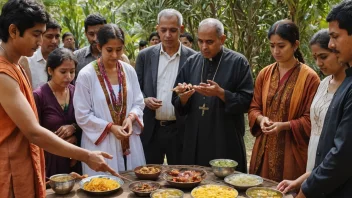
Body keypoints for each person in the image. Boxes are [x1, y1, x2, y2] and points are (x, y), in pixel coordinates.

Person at [0, 1, 117, 197]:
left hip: (26, 164)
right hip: (11, 168)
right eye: (36, 34)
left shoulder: (17, 65)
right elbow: (34, 132)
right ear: (13, 31)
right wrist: (86, 155)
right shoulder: (3, 74)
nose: (40, 42)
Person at [171, 18, 253, 171]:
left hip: (223, 136)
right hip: (195, 136)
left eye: (209, 42)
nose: (203, 47)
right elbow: (177, 99)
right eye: (200, 41)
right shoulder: (191, 62)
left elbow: (247, 101)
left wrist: (221, 93)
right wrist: (183, 97)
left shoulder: (238, 62)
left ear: (222, 39)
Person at [276, 29, 349, 194]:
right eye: (315, 58)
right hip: (315, 155)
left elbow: (341, 152)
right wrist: (303, 179)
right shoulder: (323, 83)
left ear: (338, 51)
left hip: (335, 160)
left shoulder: (347, 91)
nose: (319, 63)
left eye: (323, 57)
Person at [248, 20, 320, 182]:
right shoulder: (264, 74)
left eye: (281, 46)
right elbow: (254, 107)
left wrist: (284, 126)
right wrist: (261, 119)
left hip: (291, 152)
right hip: (263, 149)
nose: (276, 51)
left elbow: (312, 120)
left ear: (295, 45)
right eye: (272, 45)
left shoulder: (309, 78)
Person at [74, 24, 145, 175]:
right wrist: (110, 127)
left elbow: (139, 102)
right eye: (109, 50)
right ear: (99, 47)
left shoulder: (129, 71)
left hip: (129, 140)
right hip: (101, 144)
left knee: (133, 185)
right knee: (103, 186)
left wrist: (131, 118)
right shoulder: (86, 75)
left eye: (119, 50)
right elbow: (82, 114)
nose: (114, 55)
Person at [297, 1, 352, 197]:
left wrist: (307, 189)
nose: (331, 45)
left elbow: (343, 154)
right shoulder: (333, 83)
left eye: (335, 37)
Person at [135, 9, 196, 165]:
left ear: (181, 30)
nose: (168, 35)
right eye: (163, 30)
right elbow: (135, 90)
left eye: (173, 30)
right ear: (157, 29)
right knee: (149, 176)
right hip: (151, 128)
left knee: (181, 177)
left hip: (180, 129)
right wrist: (145, 100)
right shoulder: (145, 56)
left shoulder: (193, 58)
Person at [33, 48, 82, 178]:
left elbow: (85, 120)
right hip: (50, 161)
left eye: (72, 72)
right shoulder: (39, 96)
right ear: (50, 71)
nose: (69, 77)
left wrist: (74, 128)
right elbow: (33, 132)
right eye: (63, 72)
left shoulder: (76, 92)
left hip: (75, 158)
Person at [26, 19, 61, 90]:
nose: (54, 41)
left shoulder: (63, 60)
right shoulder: (28, 61)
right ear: (40, 37)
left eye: (57, 37)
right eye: (49, 36)